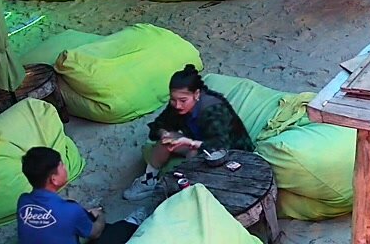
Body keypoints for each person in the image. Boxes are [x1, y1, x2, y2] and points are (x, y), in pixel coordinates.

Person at [123, 65, 253, 201]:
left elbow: (220, 145)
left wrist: (191, 143)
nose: (177, 105)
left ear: (196, 94)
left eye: (183, 100)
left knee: (193, 153)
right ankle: (148, 180)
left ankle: (186, 192)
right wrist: (164, 133)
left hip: (230, 152)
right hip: (200, 143)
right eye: (173, 100)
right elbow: (158, 125)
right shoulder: (177, 105)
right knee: (166, 142)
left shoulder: (214, 109)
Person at [17, 147, 146, 244]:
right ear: (54, 179)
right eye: (62, 166)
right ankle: (132, 222)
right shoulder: (70, 210)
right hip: (82, 223)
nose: (65, 168)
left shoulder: (23, 201)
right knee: (114, 231)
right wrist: (100, 216)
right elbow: (95, 233)